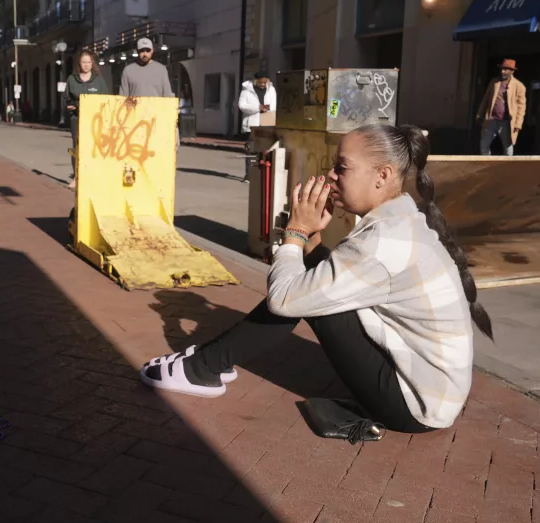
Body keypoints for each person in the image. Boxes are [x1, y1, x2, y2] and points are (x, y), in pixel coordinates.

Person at [140, 124, 494, 433]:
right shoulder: (400, 221)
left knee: (304, 295)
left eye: (342, 168)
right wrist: (311, 240)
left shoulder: (384, 242)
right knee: (313, 287)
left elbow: (285, 299)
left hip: (414, 407)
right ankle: (206, 363)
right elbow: (334, 279)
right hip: (434, 394)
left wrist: (295, 231)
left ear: (382, 175)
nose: (331, 176)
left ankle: (204, 368)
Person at [64, 50, 110, 189]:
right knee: (77, 147)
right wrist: (69, 106)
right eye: (83, 62)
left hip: (95, 120)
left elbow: (106, 99)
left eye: (88, 62)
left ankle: (94, 177)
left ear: (92, 63)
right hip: (76, 119)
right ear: (79, 63)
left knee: (94, 147)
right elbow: (66, 98)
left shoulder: (99, 80)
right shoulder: (72, 79)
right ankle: (76, 177)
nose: (86, 65)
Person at [476, 59, 526, 156]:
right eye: (502, 69)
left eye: (506, 69)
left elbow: (521, 107)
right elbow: (486, 99)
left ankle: (507, 168)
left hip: (507, 122)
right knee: (484, 144)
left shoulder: (519, 86)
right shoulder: (494, 82)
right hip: (492, 119)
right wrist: (480, 114)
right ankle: (486, 165)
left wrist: (518, 124)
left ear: (512, 71)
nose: (503, 71)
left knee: (508, 147)